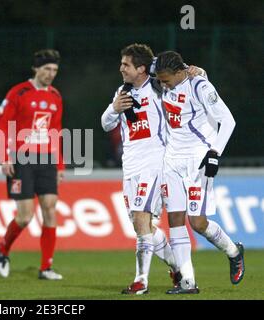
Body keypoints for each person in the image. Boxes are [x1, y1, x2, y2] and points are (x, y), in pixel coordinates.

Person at [154, 51, 244, 294]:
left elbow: (228, 120)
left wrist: (215, 152)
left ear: (180, 72)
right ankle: (187, 282)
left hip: (198, 159)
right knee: (174, 218)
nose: (163, 85)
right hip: (172, 159)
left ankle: (234, 252)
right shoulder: (164, 78)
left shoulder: (200, 86)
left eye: (166, 80)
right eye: (160, 80)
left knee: (197, 222)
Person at [101, 43, 185, 294]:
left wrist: (196, 72)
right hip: (131, 166)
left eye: (126, 64)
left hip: (155, 163)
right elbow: (106, 125)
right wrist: (114, 108)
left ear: (141, 68)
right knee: (143, 227)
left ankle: (141, 281)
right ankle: (178, 269)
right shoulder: (122, 92)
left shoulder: (159, 87)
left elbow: (178, 74)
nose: (121, 68)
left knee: (141, 218)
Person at [0, 49, 65, 280]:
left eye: (54, 70)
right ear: (35, 69)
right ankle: (3, 248)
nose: (51, 74)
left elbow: (56, 131)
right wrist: (3, 156)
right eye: (46, 69)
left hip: (46, 159)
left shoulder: (55, 96)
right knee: (25, 217)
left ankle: (46, 267)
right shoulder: (19, 92)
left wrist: (60, 165)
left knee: (50, 209)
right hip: (21, 158)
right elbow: (1, 126)